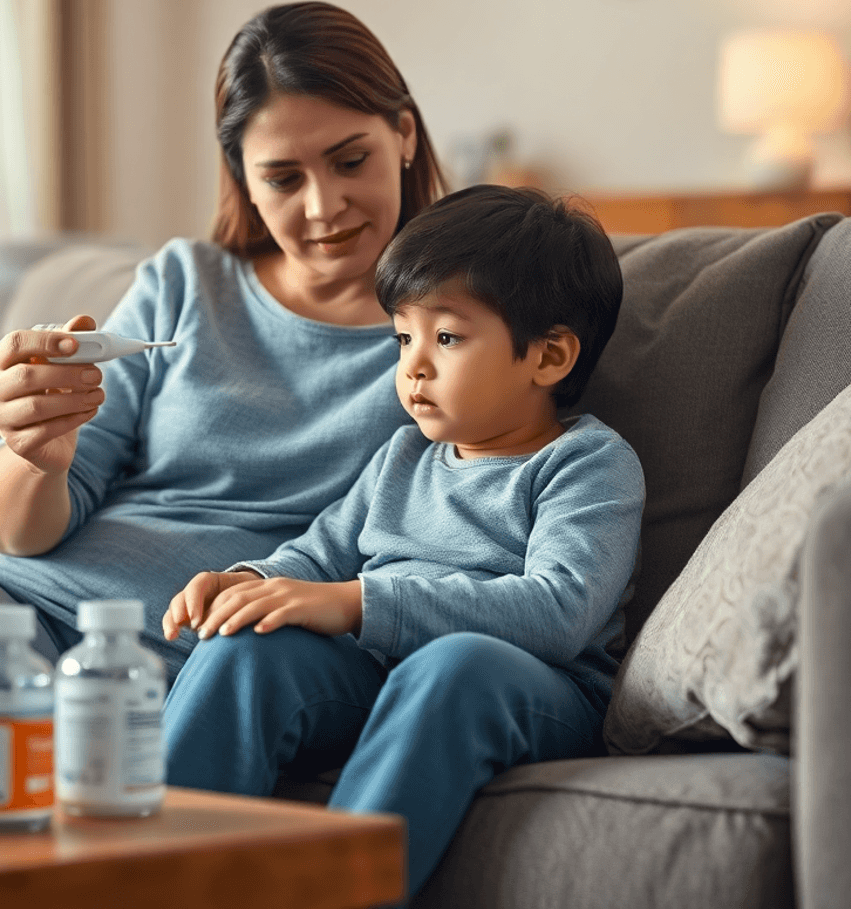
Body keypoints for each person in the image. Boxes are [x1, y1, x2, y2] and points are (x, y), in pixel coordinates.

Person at [0, 1, 448, 744]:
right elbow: (17, 532)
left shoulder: (463, 325)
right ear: (243, 181)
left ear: (403, 134)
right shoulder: (187, 283)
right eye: (283, 178)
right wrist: (34, 451)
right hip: (17, 599)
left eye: (350, 161)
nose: (324, 206)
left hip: (198, 655)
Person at [159, 184, 645, 897]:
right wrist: (247, 582)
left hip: (525, 689)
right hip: (379, 671)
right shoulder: (402, 459)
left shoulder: (587, 464)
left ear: (548, 357)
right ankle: (145, 878)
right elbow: (316, 556)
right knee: (245, 643)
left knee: (453, 665)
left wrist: (361, 603)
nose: (413, 365)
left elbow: (558, 611)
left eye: (446, 338)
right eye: (402, 337)